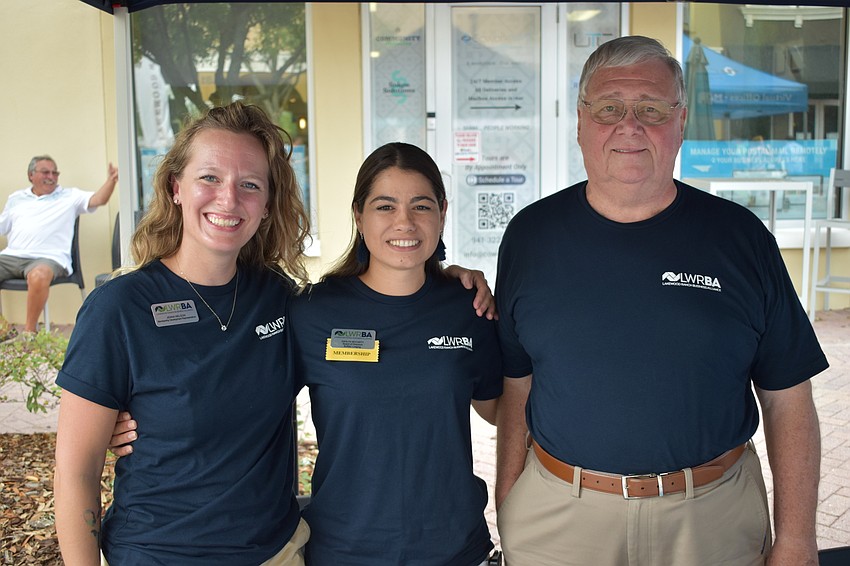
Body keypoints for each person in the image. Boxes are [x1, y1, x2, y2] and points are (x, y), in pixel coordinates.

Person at [494, 36, 827, 566]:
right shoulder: (530, 236)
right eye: (609, 108)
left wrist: (796, 540)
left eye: (650, 109)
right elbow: (518, 381)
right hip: (561, 521)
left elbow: (788, 398)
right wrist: (508, 494)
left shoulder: (740, 238)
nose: (629, 125)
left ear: (680, 122)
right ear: (580, 123)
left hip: (713, 520)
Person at [54, 102, 312, 565]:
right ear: (176, 187)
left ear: (268, 205)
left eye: (249, 184)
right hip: (157, 553)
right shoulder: (119, 310)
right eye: (209, 178)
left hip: (274, 553)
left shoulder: (280, 300)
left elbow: (374, 320)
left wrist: (441, 277)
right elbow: (76, 471)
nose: (228, 199)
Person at [289, 142, 502, 565]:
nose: (404, 222)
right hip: (345, 549)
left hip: (453, 548)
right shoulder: (310, 312)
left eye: (421, 206)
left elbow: (503, 410)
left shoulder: (469, 308)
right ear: (359, 215)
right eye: (385, 206)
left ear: (442, 212)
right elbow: (252, 406)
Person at [0, 156, 118, 333]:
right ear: (30, 175)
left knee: (38, 276)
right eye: (45, 172)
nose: (51, 176)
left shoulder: (69, 196)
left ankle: (29, 333)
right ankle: (2, 329)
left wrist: (111, 181)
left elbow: (98, 200)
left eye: (55, 172)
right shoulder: (16, 198)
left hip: (48, 259)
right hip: (11, 256)